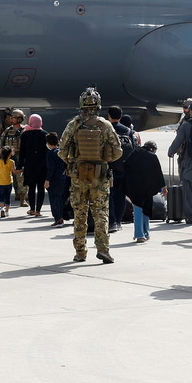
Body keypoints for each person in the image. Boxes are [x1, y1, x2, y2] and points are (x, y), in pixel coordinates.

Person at [58, 87, 122, 263]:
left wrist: (73, 162)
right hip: (99, 177)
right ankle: (103, 249)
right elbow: (118, 151)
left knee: (80, 214)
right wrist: (103, 159)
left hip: (78, 177)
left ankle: (80, 252)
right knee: (101, 214)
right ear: (98, 104)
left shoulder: (74, 124)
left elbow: (61, 151)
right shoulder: (104, 125)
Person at [124, 140, 167, 243]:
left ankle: (139, 235)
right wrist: (163, 187)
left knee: (138, 210)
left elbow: (125, 166)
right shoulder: (152, 157)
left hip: (134, 187)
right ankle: (146, 233)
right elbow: (158, 173)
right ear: (152, 149)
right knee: (146, 210)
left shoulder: (134, 153)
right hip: (147, 188)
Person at [106, 105, 136, 233]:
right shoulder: (128, 131)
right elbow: (134, 150)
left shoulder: (106, 130)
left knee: (109, 196)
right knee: (121, 195)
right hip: (124, 168)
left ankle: (112, 221)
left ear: (109, 116)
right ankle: (118, 221)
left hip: (109, 168)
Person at [0, 109, 28, 207]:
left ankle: (22, 199)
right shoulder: (7, 130)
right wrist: (0, 156)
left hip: (19, 157)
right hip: (7, 157)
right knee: (1, 177)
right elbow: (1, 144)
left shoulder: (24, 130)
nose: (11, 119)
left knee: (21, 179)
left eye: (13, 117)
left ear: (19, 119)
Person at [20, 114, 49, 217]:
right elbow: (47, 152)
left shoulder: (25, 135)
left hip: (30, 165)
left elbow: (22, 152)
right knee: (41, 188)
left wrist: (19, 166)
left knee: (31, 188)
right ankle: (38, 210)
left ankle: (32, 209)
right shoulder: (45, 134)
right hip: (42, 166)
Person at [44, 132, 69, 227]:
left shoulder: (50, 154)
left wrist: (47, 180)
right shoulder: (61, 152)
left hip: (54, 179)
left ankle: (57, 219)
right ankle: (61, 217)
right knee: (60, 199)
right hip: (62, 178)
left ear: (48, 143)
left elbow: (51, 168)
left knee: (54, 199)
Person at [0, 145, 20, 217]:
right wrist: (22, 170)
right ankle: (7, 211)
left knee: (1, 196)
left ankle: (2, 208)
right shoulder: (11, 162)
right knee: (7, 197)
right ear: (10, 154)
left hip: (1, 182)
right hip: (9, 181)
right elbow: (14, 171)